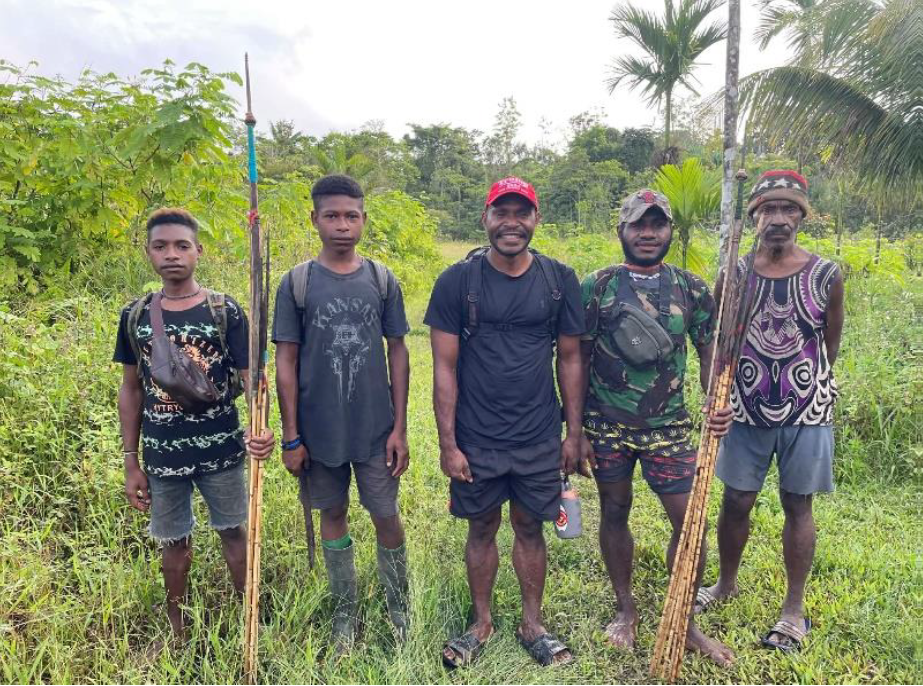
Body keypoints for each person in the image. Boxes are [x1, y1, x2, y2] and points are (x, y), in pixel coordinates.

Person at [426, 177, 587, 668]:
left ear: (537, 220)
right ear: (486, 219)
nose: (511, 222)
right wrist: (449, 444)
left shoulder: (559, 280)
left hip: (538, 433)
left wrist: (573, 434)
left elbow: (571, 359)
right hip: (477, 436)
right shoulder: (458, 281)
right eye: (502, 212)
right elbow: (444, 367)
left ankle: (532, 623)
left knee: (530, 527)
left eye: (522, 212)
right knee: (480, 526)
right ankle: (481, 622)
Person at [579, 189, 734, 666]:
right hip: (606, 427)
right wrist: (576, 428)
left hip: (670, 429)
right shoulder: (598, 286)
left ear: (670, 231)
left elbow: (711, 350)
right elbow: (576, 357)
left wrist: (716, 399)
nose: (648, 233)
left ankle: (684, 621)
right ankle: (625, 611)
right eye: (637, 225)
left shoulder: (691, 288)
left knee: (688, 525)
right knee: (614, 512)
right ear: (621, 231)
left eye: (657, 224)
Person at [696, 170, 845, 654]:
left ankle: (793, 609)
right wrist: (716, 400)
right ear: (755, 215)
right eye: (769, 210)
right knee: (736, 499)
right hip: (743, 408)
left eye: (789, 210)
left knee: (797, 504)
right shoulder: (735, 274)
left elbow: (829, 343)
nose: (778, 219)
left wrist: (801, 384)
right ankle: (725, 584)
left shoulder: (826, 274)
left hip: (807, 409)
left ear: (802, 215)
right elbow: (717, 343)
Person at [115, 207, 274, 640]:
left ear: (198, 251)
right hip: (163, 454)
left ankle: (251, 618)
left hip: (222, 448)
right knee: (173, 543)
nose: (172, 255)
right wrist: (132, 461)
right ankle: (178, 628)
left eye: (182, 246)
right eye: (160, 246)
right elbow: (131, 390)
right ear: (147, 252)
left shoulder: (225, 311)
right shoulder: (136, 315)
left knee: (234, 532)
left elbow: (251, 376)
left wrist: (261, 428)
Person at [273, 175, 411, 649]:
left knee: (385, 514)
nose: (342, 225)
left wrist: (400, 428)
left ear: (364, 220)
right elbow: (285, 361)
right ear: (314, 219)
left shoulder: (381, 278)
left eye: (351, 216)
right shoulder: (297, 283)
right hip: (319, 431)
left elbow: (399, 351)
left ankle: (399, 608)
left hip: (375, 430)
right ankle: (344, 614)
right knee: (333, 514)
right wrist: (291, 436)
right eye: (331, 215)